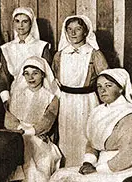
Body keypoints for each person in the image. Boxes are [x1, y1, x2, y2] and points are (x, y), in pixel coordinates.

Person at [4, 56, 61, 182]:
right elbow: (9, 120)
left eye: (35, 73)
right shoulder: (17, 94)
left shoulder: (51, 98)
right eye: (27, 74)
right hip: (17, 136)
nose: (31, 78)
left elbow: (47, 122)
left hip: (37, 138)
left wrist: (29, 131)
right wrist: (19, 130)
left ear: (43, 74)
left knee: (35, 165)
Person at [53, 15, 108, 168]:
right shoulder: (60, 55)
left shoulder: (94, 54)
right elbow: (54, 78)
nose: (73, 33)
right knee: (66, 137)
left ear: (85, 32)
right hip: (66, 101)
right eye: (69, 29)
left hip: (87, 100)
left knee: (86, 136)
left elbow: (106, 78)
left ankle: (86, 169)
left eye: (78, 29)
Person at [0, 7, 51, 108]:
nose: (21, 25)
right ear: (13, 23)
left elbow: (48, 76)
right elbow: (4, 78)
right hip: (15, 95)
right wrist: (6, 100)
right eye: (17, 21)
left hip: (38, 96)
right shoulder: (7, 48)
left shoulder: (41, 46)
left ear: (31, 23)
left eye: (25, 21)